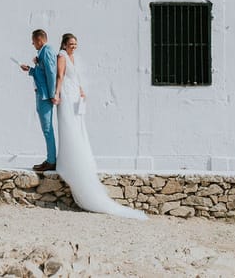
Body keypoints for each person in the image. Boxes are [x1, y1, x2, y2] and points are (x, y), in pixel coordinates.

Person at [54, 33, 147, 220]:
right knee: (68, 126)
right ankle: (67, 159)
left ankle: (75, 157)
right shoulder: (61, 56)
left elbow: (75, 78)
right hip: (65, 95)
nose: (74, 47)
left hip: (74, 96)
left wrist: (80, 91)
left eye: (75, 44)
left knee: (77, 126)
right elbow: (60, 76)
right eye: (71, 44)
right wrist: (56, 94)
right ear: (64, 44)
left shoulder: (72, 57)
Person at [19, 29, 58, 172]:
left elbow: (51, 72)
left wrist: (52, 93)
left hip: (45, 95)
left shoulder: (46, 51)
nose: (32, 43)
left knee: (47, 129)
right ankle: (50, 159)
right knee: (46, 128)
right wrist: (31, 69)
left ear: (39, 40)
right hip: (41, 94)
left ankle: (52, 161)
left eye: (33, 41)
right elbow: (42, 72)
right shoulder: (42, 53)